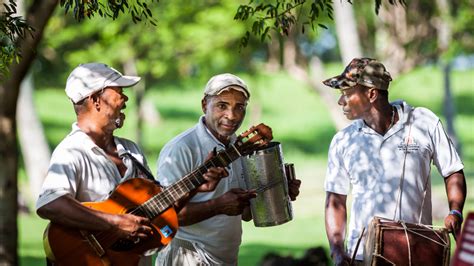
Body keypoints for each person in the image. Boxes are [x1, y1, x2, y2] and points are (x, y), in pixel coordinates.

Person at [36, 63, 227, 266]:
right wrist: (114, 223)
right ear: (95, 100)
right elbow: (51, 204)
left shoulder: (131, 150)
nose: (125, 99)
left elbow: (162, 208)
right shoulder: (72, 151)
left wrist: (196, 185)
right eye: (119, 91)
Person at [323, 58, 467, 265]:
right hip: (362, 256)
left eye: (346, 94)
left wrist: (455, 211)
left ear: (371, 94)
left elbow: (452, 170)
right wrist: (337, 250)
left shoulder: (423, 123)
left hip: (415, 251)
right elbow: (335, 199)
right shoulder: (343, 140)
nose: (341, 102)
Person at [154, 73, 302, 265]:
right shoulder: (181, 148)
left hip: (224, 258)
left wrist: (278, 193)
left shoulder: (237, 147)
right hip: (187, 255)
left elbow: (246, 214)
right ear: (204, 105)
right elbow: (165, 216)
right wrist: (218, 205)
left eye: (239, 107)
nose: (232, 116)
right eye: (222, 105)